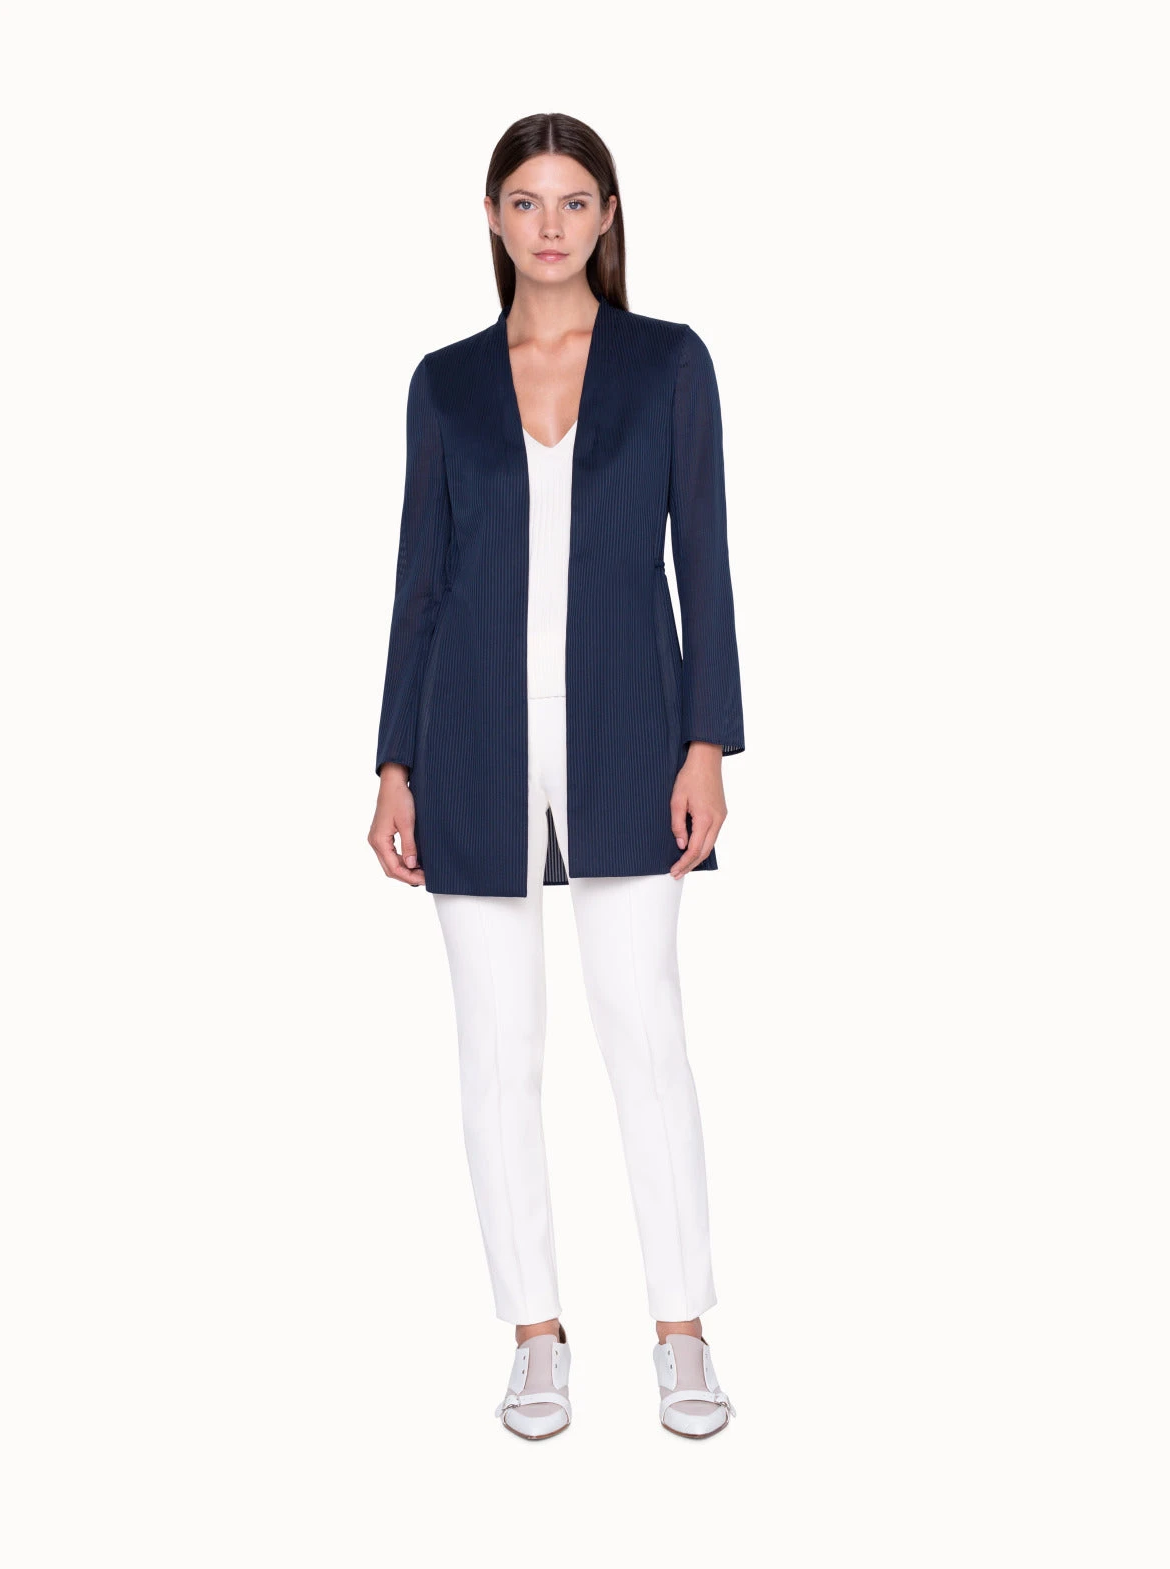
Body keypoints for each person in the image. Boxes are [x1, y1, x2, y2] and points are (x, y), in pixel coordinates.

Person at [368, 112, 745, 1441]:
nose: (549, 224)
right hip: (469, 742)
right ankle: (535, 1334)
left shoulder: (667, 365)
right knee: (495, 1053)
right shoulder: (445, 384)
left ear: (607, 215)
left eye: (573, 201)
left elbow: (705, 562)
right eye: (525, 201)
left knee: (645, 1034)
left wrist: (708, 741)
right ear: (492, 215)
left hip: (632, 738)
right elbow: (419, 583)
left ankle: (682, 1332)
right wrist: (394, 761)